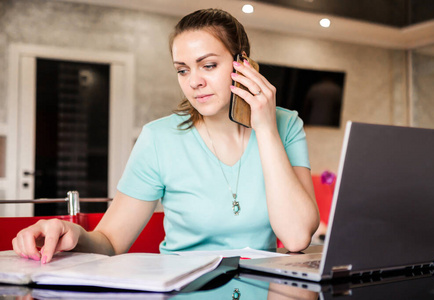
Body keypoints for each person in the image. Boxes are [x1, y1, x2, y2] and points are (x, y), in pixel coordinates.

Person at [12, 8, 320, 264]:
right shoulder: (159, 138)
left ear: (243, 65)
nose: (194, 81)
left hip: (260, 291)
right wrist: (72, 231)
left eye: (208, 65)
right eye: (183, 70)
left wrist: (265, 128)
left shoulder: (286, 125)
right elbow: (110, 240)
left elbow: (296, 237)